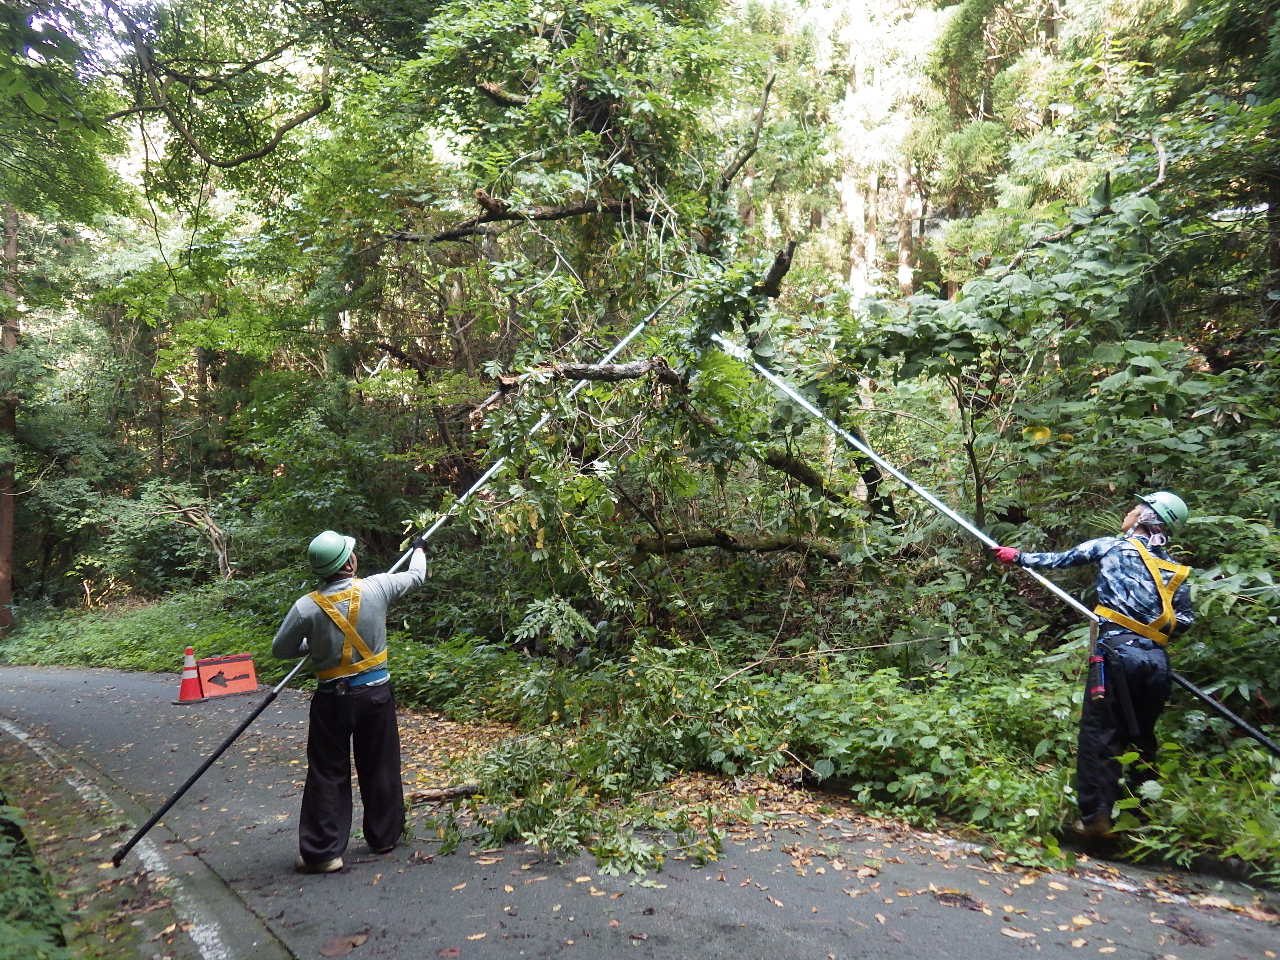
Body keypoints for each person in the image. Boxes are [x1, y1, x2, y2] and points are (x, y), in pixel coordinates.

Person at [991, 492, 1192, 837]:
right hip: (1157, 662)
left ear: (1145, 518)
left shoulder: (1113, 547)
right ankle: (1141, 818)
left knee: (1101, 734)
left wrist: (1018, 556)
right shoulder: (1175, 570)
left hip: (1116, 656)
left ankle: (1095, 818)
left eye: (1134, 509)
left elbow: (1062, 559)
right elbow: (1184, 621)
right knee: (1141, 737)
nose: (1127, 513)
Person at [273, 530, 427, 873]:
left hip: (332, 700)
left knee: (328, 772)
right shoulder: (376, 587)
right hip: (375, 695)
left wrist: (312, 646)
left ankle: (323, 852)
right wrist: (419, 547)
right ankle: (384, 836)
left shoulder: (306, 607)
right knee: (380, 764)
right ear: (348, 562)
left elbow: (281, 650)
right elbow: (417, 575)